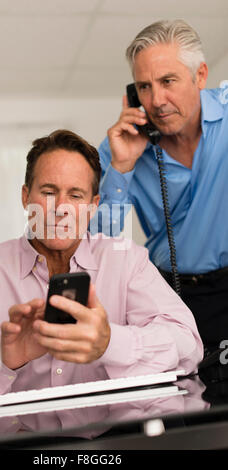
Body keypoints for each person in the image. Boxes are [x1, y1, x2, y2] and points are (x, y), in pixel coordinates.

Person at [0, 129, 202, 439]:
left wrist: (110, 343)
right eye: (48, 191)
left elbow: (187, 345)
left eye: (75, 195)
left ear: (93, 204)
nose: (60, 207)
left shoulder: (127, 261)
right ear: (25, 197)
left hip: (117, 443)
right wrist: (5, 365)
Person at [97, 19, 228, 354]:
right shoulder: (117, 151)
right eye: (144, 87)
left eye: (168, 81)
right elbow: (97, 246)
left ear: (200, 76)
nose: (156, 100)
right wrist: (123, 167)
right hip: (172, 294)